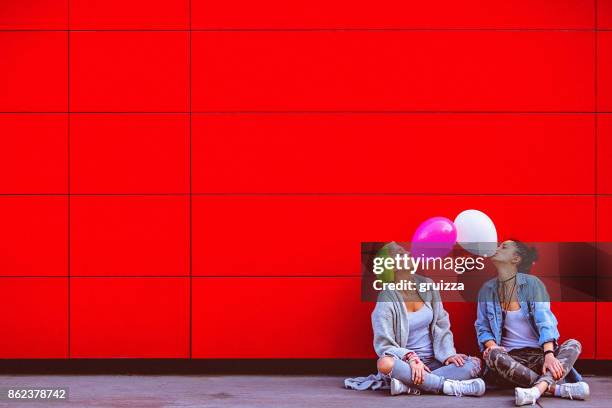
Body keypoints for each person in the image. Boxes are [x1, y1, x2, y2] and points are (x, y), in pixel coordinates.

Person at [475, 239, 590, 406]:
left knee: (573, 344)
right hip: (509, 360)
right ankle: (555, 389)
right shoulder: (487, 289)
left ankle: (535, 390)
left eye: (503, 247)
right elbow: (482, 326)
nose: (497, 248)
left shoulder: (532, 285)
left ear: (516, 259)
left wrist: (549, 355)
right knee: (492, 354)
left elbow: (546, 320)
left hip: (539, 357)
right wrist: (492, 346)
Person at [373, 242, 485, 397]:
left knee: (473, 364)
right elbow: (384, 344)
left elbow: (441, 323)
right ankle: (448, 386)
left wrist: (448, 354)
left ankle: (411, 386)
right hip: (407, 364)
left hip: (435, 362)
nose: (408, 252)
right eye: (400, 253)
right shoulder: (386, 297)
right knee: (384, 363)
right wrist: (411, 357)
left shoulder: (427, 285)